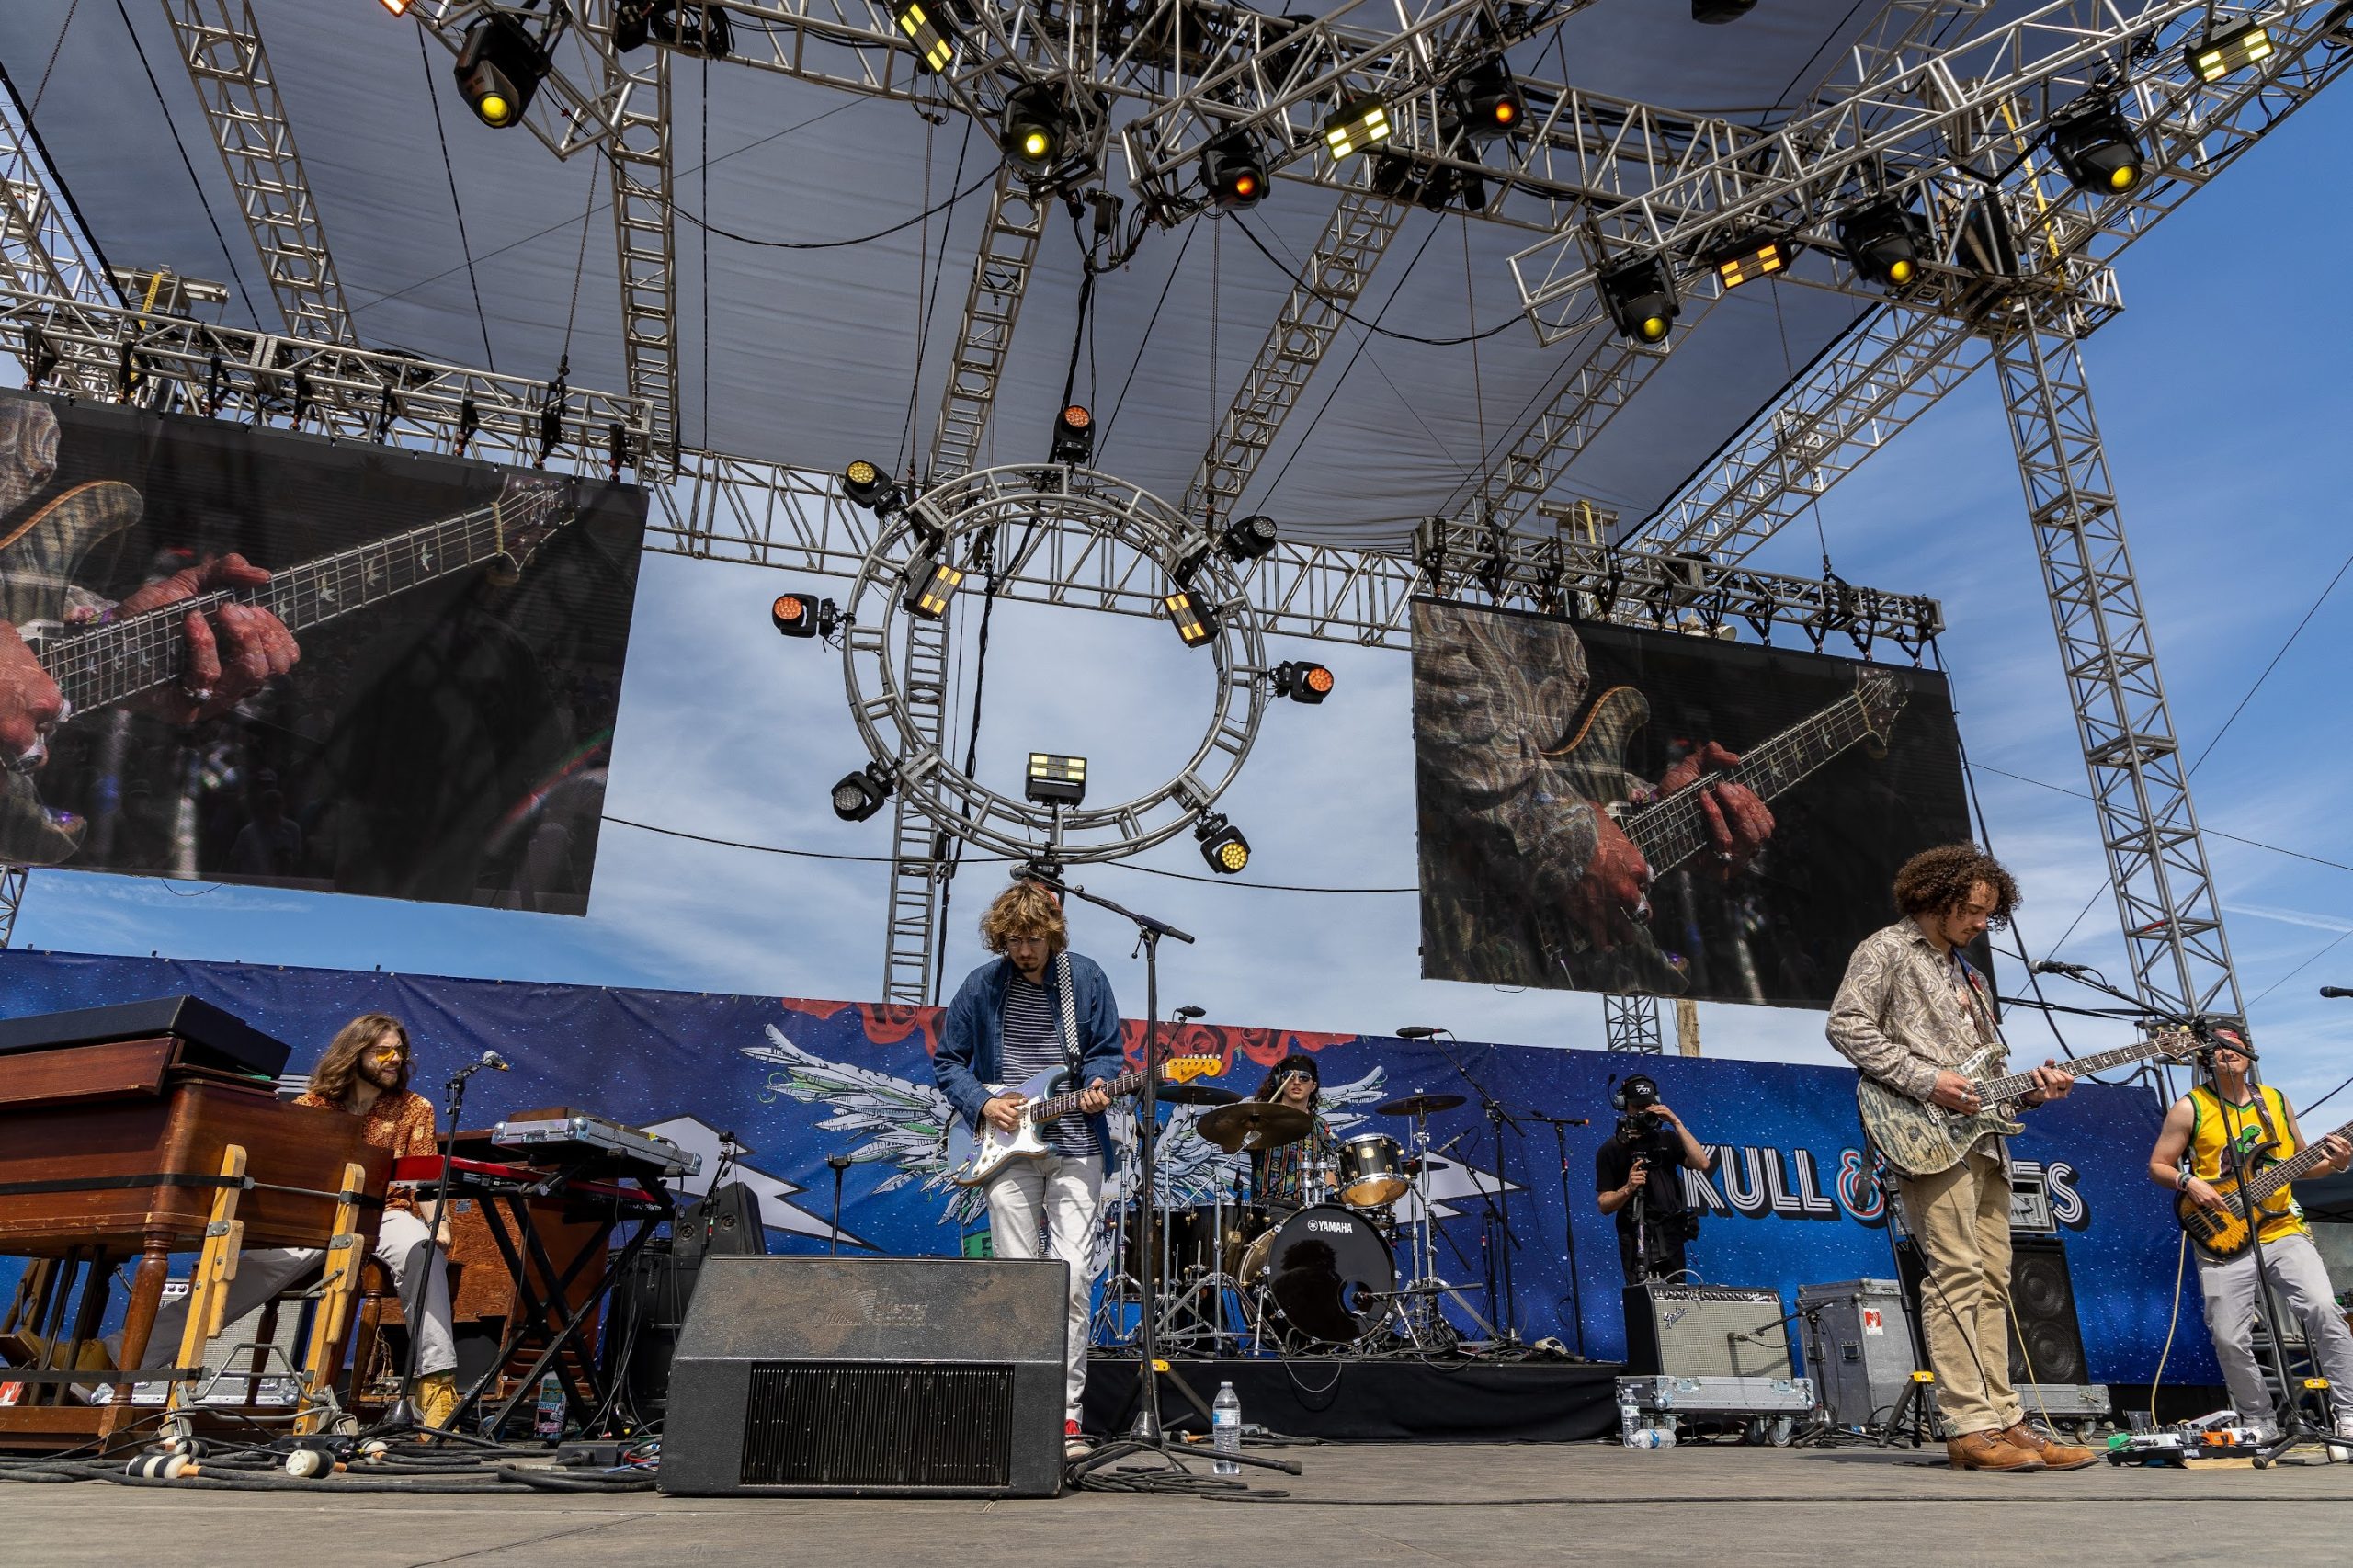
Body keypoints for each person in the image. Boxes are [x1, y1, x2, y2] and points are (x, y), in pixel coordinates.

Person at [1826, 843, 2093, 1473]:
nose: (1980, 924)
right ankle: (1968, 1425)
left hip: (1986, 1139)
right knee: (1956, 1273)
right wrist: (1925, 1080)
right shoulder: (1886, 950)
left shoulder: (1971, 978)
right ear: (1934, 898)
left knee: (1995, 1278)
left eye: (1988, 915)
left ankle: (2005, 1418)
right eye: (1972, 911)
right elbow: (1847, 1025)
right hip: (1924, 1134)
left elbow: (1988, 1079)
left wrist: (2033, 1089)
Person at [1410, 602, 1776, 993]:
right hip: (1450, 920)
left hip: (1559, 975)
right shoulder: (1464, 571)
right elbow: (1426, 656)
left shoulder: (1594, 600)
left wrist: (1668, 814)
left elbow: (1573, 770)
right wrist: (1566, 841)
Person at [118, 1014, 460, 1427]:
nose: (395, 1059)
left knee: (422, 1251)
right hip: (320, 1212)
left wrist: (439, 1222)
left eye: (400, 1051)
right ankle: (117, 1356)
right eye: (383, 1051)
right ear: (355, 1053)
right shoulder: (312, 1105)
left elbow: (422, 1176)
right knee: (246, 1273)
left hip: (387, 1211)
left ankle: (436, 1384)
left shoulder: (414, 1107)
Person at [933, 879, 1124, 1460]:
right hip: (1005, 1149)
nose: (1023, 950)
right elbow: (949, 1063)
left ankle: (1065, 1417)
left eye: (1034, 938)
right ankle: (1018, 1409)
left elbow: (1108, 1052)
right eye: (1014, 939)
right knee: (1017, 1282)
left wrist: (1097, 1083)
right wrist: (984, 1104)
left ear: (1053, 932)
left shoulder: (1084, 978)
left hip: (1074, 1146)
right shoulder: (981, 986)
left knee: (1071, 1281)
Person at [2145, 1025, 2353, 1444]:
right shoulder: (2190, 1107)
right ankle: (2259, 1419)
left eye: (2234, 1047)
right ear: (2206, 1059)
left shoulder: (2274, 1100)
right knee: (2228, 1335)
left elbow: (2300, 1163)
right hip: (2221, 1232)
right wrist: (2189, 1182)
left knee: (2324, 1310)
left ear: (2247, 1053)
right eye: (2217, 1049)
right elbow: (2159, 1165)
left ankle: (2348, 1414)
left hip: (2282, 1227)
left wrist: (2337, 1163)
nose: (2227, 1054)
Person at [1594, 1072, 1715, 1285]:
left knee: (1677, 1299)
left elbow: (1702, 1163)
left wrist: (1676, 1122)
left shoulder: (1667, 1138)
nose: (1644, 1112)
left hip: (1671, 1233)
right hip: (1637, 1234)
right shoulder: (1611, 1148)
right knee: (1644, 1299)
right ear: (1623, 1105)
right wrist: (1628, 1188)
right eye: (1638, 1107)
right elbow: (1604, 1204)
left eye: (1648, 1106)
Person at [1246, 1052, 1338, 1214]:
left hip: (1308, 1209)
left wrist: (1333, 1195)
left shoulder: (1320, 1125)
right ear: (1281, 1081)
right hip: (1268, 1208)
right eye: (1289, 1076)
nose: (1296, 1082)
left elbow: (1327, 1169)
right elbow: (1229, 1146)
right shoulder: (1263, 1117)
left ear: (1313, 1086)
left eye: (1304, 1078)